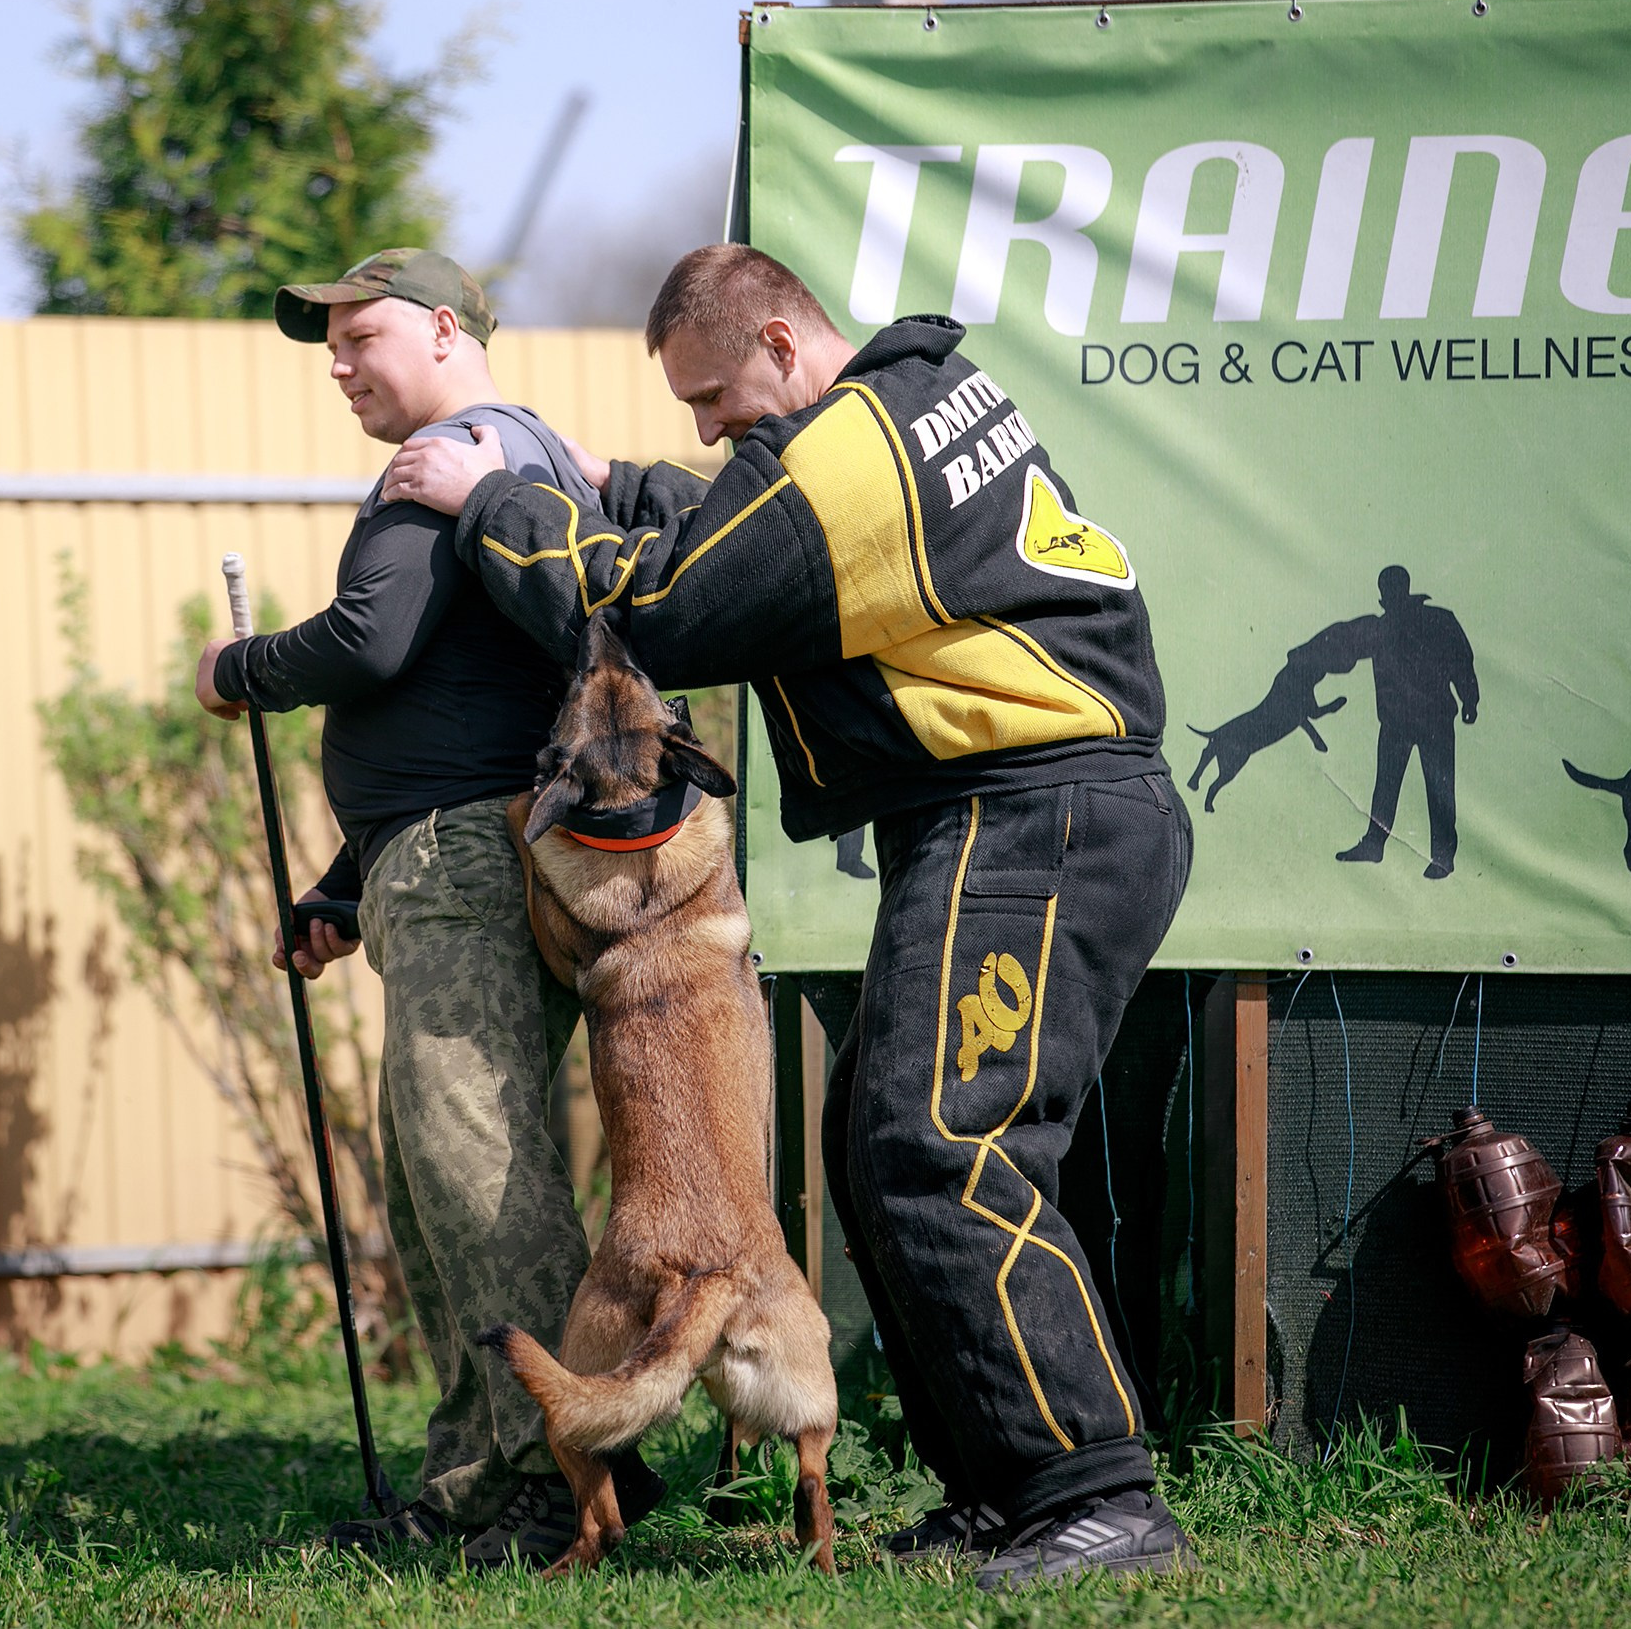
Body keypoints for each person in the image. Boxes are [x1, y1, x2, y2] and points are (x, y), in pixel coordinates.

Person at [381, 244, 1193, 1590]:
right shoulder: (898, 410)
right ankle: (999, 1493)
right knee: (872, 1138)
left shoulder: (854, 451)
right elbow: (732, 519)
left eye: (710, 397)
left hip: (1037, 812)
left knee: (938, 1137)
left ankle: (1096, 1495)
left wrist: (502, 504)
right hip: (1012, 811)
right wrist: (614, 481)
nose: (703, 428)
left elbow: (667, 605)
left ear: (778, 344)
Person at [193, 248, 660, 1568]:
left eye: (362, 336)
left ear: (446, 327)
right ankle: (484, 1471)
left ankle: (547, 1480)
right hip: (458, 848)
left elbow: (370, 640)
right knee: (445, 1174)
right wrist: (346, 883)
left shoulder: (443, 463)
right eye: (326, 345)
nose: (339, 364)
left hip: (462, 863)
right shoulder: (522, 465)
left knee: (476, 1169)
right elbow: (471, 704)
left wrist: (241, 667)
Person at [1332, 565, 1478, 878]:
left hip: (1432, 719)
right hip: (1399, 722)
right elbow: (1344, 650)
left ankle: (1442, 858)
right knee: (1388, 786)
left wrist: (1470, 699)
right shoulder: (1384, 627)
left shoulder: (1435, 620)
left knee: (1438, 788)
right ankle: (1376, 845)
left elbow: (1461, 660)